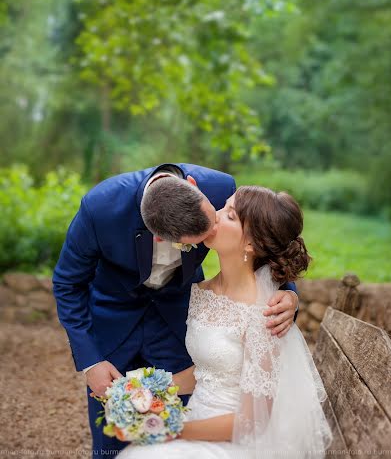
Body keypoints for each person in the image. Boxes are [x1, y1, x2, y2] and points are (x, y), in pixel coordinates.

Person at [52, 164, 299, 456]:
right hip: (113, 328)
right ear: (160, 236)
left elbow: (266, 234)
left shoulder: (222, 190)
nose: (216, 227)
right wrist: (91, 362)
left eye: (219, 218)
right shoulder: (99, 207)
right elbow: (68, 283)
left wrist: (288, 294)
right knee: (109, 444)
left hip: (179, 327)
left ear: (195, 186)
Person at [118, 185, 333, 459]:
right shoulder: (203, 291)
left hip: (233, 442)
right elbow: (205, 373)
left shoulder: (263, 313)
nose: (215, 216)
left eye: (230, 215)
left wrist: (171, 429)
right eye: (223, 207)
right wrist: (141, 389)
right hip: (196, 418)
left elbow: (252, 422)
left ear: (251, 244)